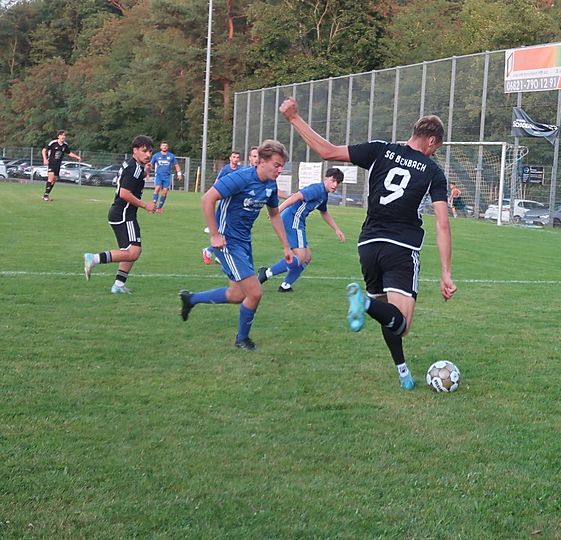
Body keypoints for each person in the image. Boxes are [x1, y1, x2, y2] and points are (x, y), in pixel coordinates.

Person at [279, 96, 456, 390]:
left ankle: (403, 372)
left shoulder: (380, 149)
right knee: (402, 323)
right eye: (435, 149)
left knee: (386, 314)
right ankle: (362, 301)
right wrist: (446, 272)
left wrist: (294, 118)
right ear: (431, 141)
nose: (434, 153)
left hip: (369, 245)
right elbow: (442, 224)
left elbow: (327, 151)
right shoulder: (433, 172)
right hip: (401, 247)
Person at [179, 140, 293, 350]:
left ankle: (191, 299)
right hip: (227, 242)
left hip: (244, 242)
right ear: (262, 161)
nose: (280, 170)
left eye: (281, 166)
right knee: (255, 293)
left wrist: (286, 246)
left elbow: (274, 215)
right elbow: (207, 199)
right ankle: (242, 339)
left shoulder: (270, 185)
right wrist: (215, 235)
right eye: (276, 165)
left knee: (237, 295)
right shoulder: (240, 178)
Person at [82, 135, 155, 293]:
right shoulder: (134, 168)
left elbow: (131, 179)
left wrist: (145, 172)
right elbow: (124, 193)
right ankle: (93, 258)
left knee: (128, 251)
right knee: (134, 251)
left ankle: (119, 285)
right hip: (124, 214)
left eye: (150, 151)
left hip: (120, 213)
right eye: (144, 151)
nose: (148, 154)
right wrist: (145, 205)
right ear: (135, 150)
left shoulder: (132, 164)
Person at [258, 167, 346, 292]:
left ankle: (285, 286)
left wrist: (337, 229)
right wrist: (277, 210)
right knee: (300, 256)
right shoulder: (317, 189)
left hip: (298, 222)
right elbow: (297, 196)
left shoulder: (324, 195)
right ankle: (266, 273)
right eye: (333, 181)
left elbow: (324, 212)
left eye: (338, 182)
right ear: (326, 178)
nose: (335, 185)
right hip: (293, 219)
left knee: (307, 257)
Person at [41, 130, 82, 201]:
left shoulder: (65, 145)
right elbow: (44, 150)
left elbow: (69, 152)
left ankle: (46, 194)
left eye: (64, 135)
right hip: (51, 163)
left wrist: (77, 157)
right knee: (51, 178)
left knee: (54, 180)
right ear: (58, 136)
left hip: (58, 164)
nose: (63, 136)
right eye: (62, 135)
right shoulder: (53, 143)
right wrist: (45, 159)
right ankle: (46, 196)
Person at [149, 141, 183, 213]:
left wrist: (179, 174)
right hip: (158, 175)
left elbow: (176, 165)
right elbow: (151, 164)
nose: (164, 147)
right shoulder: (156, 155)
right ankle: (153, 206)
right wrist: (148, 172)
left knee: (164, 191)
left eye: (166, 146)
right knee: (157, 188)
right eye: (163, 145)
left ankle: (159, 208)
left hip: (167, 176)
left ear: (167, 147)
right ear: (160, 147)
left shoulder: (171, 156)